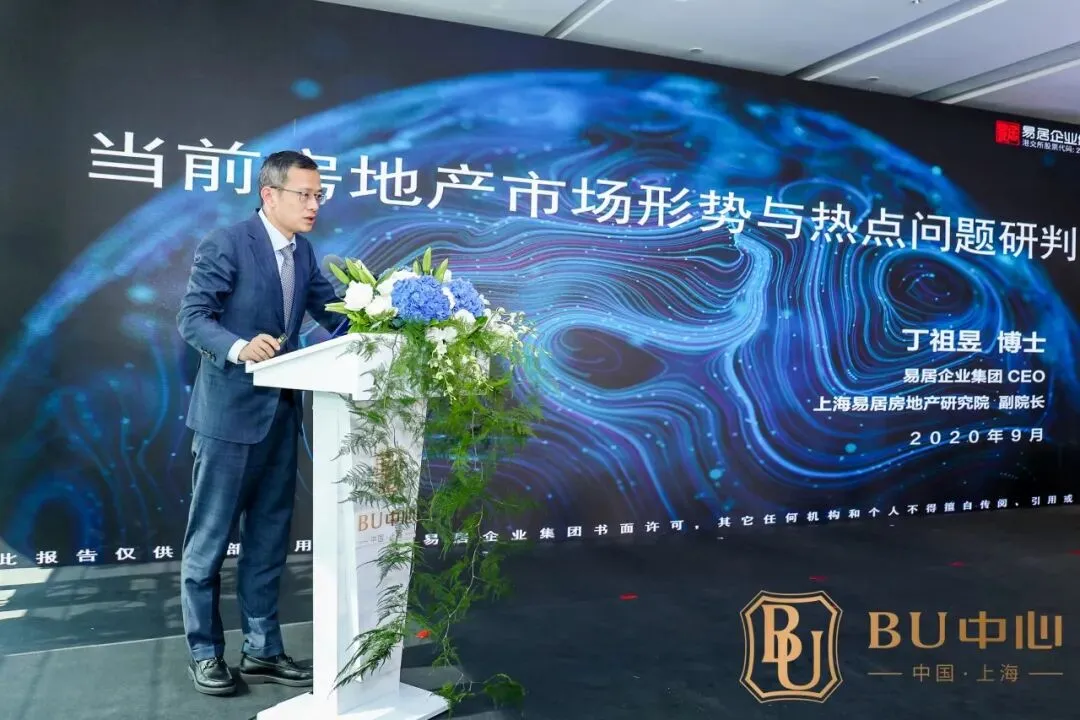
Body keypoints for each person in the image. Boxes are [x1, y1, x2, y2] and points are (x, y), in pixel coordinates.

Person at [176, 150, 340, 695]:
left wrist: (387, 324)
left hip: (281, 418)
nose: (314, 205)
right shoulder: (227, 243)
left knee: (269, 542)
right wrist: (240, 346)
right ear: (270, 195)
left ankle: (263, 650)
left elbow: (334, 312)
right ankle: (205, 652)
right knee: (209, 543)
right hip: (228, 419)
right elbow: (193, 317)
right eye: (304, 195)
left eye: (319, 195)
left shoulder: (303, 251)